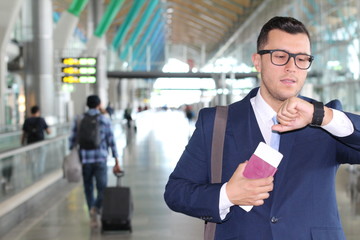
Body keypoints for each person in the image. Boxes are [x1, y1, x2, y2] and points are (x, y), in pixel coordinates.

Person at [164, 16, 360, 240]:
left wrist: (321, 115)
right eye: (280, 56)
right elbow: (176, 192)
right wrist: (227, 194)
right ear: (257, 61)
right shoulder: (216, 122)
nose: (291, 67)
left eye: (302, 59)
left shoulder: (325, 123)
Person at [69, 95, 121, 228]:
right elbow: (111, 141)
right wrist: (116, 160)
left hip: (85, 159)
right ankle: (96, 208)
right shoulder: (104, 119)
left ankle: (92, 213)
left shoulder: (79, 119)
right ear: (99, 104)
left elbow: (72, 140)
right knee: (102, 187)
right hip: (100, 158)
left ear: (87, 104)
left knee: (88, 187)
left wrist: (73, 152)